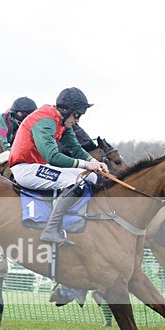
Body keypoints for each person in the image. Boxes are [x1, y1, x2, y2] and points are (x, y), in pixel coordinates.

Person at [8, 87, 109, 245]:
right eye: (77, 115)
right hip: (25, 169)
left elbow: (75, 148)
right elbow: (52, 157)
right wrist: (86, 164)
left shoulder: (61, 121)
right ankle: (51, 229)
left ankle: (73, 219)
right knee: (77, 182)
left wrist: (94, 162)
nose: (78, 120)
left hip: (38, 167)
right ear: (66, 110)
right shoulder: (45, 120)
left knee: (92, 176)